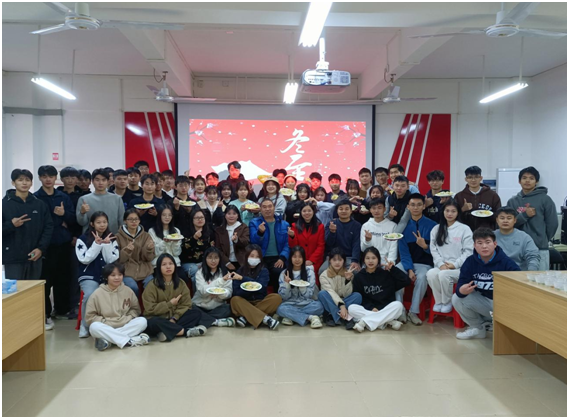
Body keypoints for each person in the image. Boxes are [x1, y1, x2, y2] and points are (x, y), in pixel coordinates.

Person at [452, 228, 520, 340]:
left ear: (495, 244)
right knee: (457, 298)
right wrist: (461, 290)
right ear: (474, 245)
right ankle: (477, 328)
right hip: (484, 302)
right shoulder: (470, 262)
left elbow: (518, 282)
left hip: (504, 304)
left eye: (488, 242)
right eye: (480, 243)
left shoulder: (506, 262)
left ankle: (495, 324)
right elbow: (462, 283)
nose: (484, 246)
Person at [34, 165, 76, 322]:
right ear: (40, 178)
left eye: (51, 176)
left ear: (55, 178)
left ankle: (62, 309)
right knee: (45, 279)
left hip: (63, 243)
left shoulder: (63, 197)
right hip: (45, 246)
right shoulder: (35, 198)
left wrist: (64, 214)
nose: (48, 179)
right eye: (44, 176)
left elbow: (73, 219)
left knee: (63, 278)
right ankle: (45, 312)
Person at [2, 169, 53, 294]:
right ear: (13, 183)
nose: (24, 183)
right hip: (13, 258)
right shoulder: (4, 205)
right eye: (20, 180)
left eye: (27, 180)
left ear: (31, 183)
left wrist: (41, 249)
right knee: (14, 293)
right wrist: (11, 225)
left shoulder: (39, 204)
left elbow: (48, 227)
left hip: (34, 256)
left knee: (32, 292)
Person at [143, 253, 212, 341]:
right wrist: (169, 304)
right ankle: (185, 331)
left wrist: (174, 318)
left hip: (176, 318)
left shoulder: (181, 283)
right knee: (153, 322)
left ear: (175, 266)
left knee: (195, 313)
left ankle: (166, 332)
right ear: (159, 268)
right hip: (159, 318)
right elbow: (149, 309)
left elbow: (186, 304)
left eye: (171, 264)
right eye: (164, 264)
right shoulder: (151, 285)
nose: (168, 267)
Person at [84, 263, 149, 351]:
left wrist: (129, 317)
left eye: (120, 275)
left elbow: (135, 309)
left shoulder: (128, 291)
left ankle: (109, 340)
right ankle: (130, 341)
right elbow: (90, 317)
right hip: (106, 326)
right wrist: (104, 321)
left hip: (125, 324)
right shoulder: (96, 294)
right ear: (106, 277)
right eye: (113, 275)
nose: (117, 278)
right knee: (94, 327)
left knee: (142, 321)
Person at [76, 211, 120, 338]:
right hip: (89, 275)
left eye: (104, 222)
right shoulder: (82, 239)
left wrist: (106, 245)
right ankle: (85, 325)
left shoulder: (111, 238)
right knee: (90, 294)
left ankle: (112, 323)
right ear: (92, 224)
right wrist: (96, 244)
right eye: (98, 222)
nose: (102, 225)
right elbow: (85, 259)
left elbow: (110, 260)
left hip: (107, 275)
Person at [395, 193, 437, 325]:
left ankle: (413, 312)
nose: (415, 207)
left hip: (424, 264)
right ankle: (400, 310)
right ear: (408, 207)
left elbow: (437, 250)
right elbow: (403, 252)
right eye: (412, 205)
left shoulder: (433, 226)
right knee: (395, 272)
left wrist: (425, 246)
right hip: (407, 262)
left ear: (424, 206)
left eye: (419, 205)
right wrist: (409, 269)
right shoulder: (403, 226)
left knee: (423, 277)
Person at [426, 199, 474, 313]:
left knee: (444, 275)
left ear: (458, 213)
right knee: (431, 274)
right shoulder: (436, 229)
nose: (449, 214)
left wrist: (455, 264)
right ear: (443, 212)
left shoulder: (464, 229)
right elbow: (433, 249)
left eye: (453, 211)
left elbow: (468, 252)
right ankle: (439, 301)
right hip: (441, 266)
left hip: (460, 268)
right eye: (447, 211)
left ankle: (447, 302)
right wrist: (440, 264)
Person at [507, 166, 559, 270]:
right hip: (517, 248)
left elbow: (552, 224)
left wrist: (542, 239)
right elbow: (509, 224)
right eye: (524, 178)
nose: (527, 181)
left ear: (536, 181)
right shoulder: (512, 201)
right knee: (517, 278)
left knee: (539, 278)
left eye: (531, 178)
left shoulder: (545, 199)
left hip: (539, 248)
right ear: (519, 181)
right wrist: (524, 215)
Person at [349, 247, 410, 332]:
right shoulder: (359, 277)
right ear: (364, 260)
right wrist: (371, 308)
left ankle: (364, 322)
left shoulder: (386, 274)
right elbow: (359, 297)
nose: (370, 261)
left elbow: (406, 281)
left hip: (384, 308)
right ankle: (386, 321)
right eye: (367, 258)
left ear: (378, 260)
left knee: (398, 305)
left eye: (373, 258)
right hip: (368, 309)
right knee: (351, 308)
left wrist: (393, 269)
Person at [230, 245, 282, 329]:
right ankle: (266, 319)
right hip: (245, 302)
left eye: (257, 257)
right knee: (234, 300)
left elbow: (261, 288)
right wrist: (247, 289)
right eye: (252, 256)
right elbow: (236, 292)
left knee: (277, 298)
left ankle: (246, 318)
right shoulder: (239, 271)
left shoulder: (264, 270)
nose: (254, 259)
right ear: (246, 256)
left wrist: (243, 279)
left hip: (260, 302)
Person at [276, 246, 324, 328]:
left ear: (304, 258)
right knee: (280, 309)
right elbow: (283, 297)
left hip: (306, 303)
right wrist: (287, 285)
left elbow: (309, 295)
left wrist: (302, 286)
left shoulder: (309, 272)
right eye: (294, 257)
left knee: (319, 307)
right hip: (290, 304)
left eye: (300, 257)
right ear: (290, 258)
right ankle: (310, 317)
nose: (297, 259)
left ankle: (291, 317)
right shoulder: (284, 273)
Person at [249, 199, 290, 289]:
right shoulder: (254, 222)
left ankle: (277, 295)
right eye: (264, 207)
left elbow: (288, 243)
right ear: (260, 209)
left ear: (274, 208)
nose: (267, 209)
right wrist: (260, 233)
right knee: (261, 273)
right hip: (261, 257)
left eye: (270, 206)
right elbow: (253, 242)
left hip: (278, 257)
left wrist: (282, 258)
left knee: (278, 272)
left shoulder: (284, 224)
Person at [318, 248, 362, 328]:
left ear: (344, 261)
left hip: (345, 300)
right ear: (330, 260)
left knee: (357, 296)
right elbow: (331, 292)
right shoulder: (324, 275)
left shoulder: (348, 273)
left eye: (340, 260)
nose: (337, 262)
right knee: (322, 294)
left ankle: (333, 315)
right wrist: (342, 306)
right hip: (332, 300)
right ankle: (346, 318)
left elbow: (347, 294)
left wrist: (347, 280)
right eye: (334, 260)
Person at [193, 247, 235, 326]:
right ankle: (215, 321)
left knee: (228, 308)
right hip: (200, 306)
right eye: (210, 258)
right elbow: (202, 291)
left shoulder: (225, 273)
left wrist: (219, 294)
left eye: (216, 258)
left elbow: (229, 293)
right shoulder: (200, 273)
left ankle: (204, 320)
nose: (213, 261)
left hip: (217, 307)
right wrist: (221, 280)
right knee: (191, 310)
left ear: (220, 259)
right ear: (205, 259)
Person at [117, 209, 155, 293]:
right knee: (132, 287)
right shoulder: (118, 237)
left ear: (139, 220)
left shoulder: (146, 236)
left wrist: (149, 249)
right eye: (130, 219)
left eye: (136, 219)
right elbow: (119, 260)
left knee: (151, 285)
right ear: (125, 221)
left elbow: (149, 258)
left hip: (145, 269)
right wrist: (127, 251)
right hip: (127, 271)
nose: (133, 222)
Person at [77, 168, 125, 234]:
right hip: (91, 237)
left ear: (108, 181)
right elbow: (82, 223)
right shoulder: (84, 199)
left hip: (112, 236)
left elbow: (122, 221)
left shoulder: (117, 199)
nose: (100, 183)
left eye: (103, 180)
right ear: (92, 181)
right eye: (97, 180)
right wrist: (82, 213)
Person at [320, 199, 362, 274]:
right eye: (341, 209)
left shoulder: (357, 226)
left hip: (349, 257)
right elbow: (328, 243)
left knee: (356, 272)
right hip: (333, 257)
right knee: (322, 271)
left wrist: (355, 260)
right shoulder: (331, 224)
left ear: (351, 211)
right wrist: (332, 232)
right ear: (337, 211)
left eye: (346, 209)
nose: (343, 211)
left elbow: (356, 244)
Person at [454, 165, 501, 231]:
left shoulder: (493, 195)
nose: (473, 180)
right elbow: (453, 217)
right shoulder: (459, 196)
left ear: (481, 178)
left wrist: (488, 214)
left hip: (487, 232)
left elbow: (499, 215)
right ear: (466, 179)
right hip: (465, 232)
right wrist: (463, 209)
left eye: (476, 177)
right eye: (470, 177)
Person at [287, 201, 325, 283]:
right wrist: (292, 236)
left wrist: (311, 260)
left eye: (309, 211)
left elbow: (321, 246)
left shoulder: (320, 227)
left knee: (313, 281)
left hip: (315, 260)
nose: (307, 213)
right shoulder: (294, 226)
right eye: (304, 211)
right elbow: (293, 247)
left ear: (313, 212)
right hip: (298, 260)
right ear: (300, 212)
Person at [494, 207, 540, 271]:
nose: (505, 221)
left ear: (515, 220)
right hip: (495, 272)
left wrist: (531, 271)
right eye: (502, 218)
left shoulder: (524, 237)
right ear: (497, 220)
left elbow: (533, 256)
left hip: (518, 272)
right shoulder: (491, 236)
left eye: (509, 218)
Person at [180, 208, 215, 289]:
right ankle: (197, 295)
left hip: (204, 262)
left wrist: (205, 263)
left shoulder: (209, 232)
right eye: (197, 218)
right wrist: (194, 239)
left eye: (202, 217)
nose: (200, 219)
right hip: (188, 262)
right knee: (196, 271)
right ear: (192, 220)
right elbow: (184, 250)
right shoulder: (186, 232)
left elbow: (211, 250)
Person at [148, 205, 185, 279]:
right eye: (164, 215)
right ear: (159, 216)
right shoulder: (152, 231)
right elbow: (155, 253)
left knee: (183, 278)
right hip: (158, 264)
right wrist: (164, 242)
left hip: (174, 263)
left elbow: (177, 253)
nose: (167, 217)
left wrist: (175, 243)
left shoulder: (176, 231)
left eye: (169, 215)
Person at [361, 197, 398, 266]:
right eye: (374, 208)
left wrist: (390, 262)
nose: (376, 211)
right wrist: (367, 241)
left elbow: (393, 247)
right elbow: (363, 249)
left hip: (386, 263)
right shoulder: (365, 226)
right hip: (370, 263)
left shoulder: (393, 226)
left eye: (379, 208)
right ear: (370, 210)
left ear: (385, 209)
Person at [215, 205, 250, 271]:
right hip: (225, 262)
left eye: (234, 214)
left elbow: (246, 242)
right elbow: (218, 248)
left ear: (238, 216)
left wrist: (237, 240)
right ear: (225, 215)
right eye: (229, 213)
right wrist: (227, 262)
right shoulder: (219, 230)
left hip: (241, 261)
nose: (231, 216)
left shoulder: (243, 227)